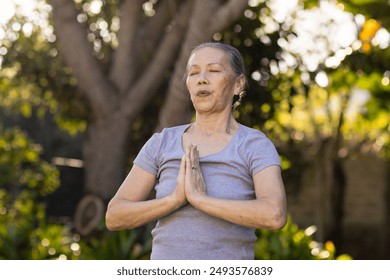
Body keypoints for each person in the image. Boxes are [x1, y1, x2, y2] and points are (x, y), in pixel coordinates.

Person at [105, 42, 287, 260]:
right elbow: (114, 216)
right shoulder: (162, 142)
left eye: (214, 70)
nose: (202, 78)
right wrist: (173, 200)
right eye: (193, 72)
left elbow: (274, 215)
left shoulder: (254, 145)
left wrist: (200, 200)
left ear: (238, 84)